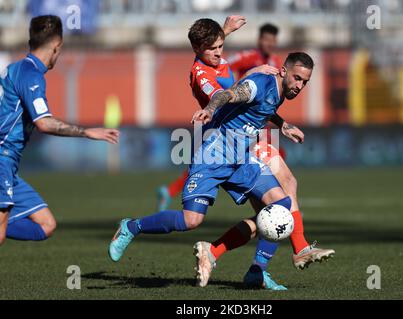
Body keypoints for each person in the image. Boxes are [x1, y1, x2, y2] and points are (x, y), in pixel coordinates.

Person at [109, 52, 334, 290]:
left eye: (305, 82)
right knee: (191, 220)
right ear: (283, 71)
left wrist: (283, 125)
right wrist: (209, 108)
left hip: (241, 160)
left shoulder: (279, 91)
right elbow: (230, 94)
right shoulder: (259, 84)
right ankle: (131, 227)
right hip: (213, 155)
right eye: (297, 78)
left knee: (280, 206)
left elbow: (263, 109)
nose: (299, 86)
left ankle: (256, 272)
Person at [0, 15, 120, 245]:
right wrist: (87, 132)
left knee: (46, 225)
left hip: (9, 166)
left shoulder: (14, 68)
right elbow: (44, 123)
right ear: (57, 47)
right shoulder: (30, 74)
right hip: (2, 159)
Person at [156, 17, 282, 212]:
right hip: (223, 135)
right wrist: (250, 76)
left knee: (271, 200)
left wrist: (225, 30)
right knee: (192, 218)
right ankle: (138, 223)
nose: (219, 51)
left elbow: (213, 50)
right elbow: (222, 97)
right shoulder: (204, 74)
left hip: (242, 125)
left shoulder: (272, 61)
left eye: (220, 45)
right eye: (266, 39)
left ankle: (295, 239)